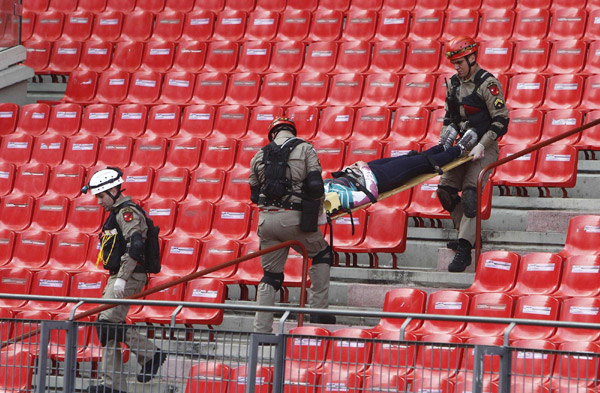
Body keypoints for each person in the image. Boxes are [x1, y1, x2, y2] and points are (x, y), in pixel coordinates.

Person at [83, 167, 167, 393]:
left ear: (113, 190)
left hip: (128, 275)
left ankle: (151, 354)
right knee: (108, 327)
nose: (99, 201)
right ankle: (113, 386)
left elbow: (135, 245)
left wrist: (121, 279)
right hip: (120, 275)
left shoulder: (127, 212)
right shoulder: (116, 213)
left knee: (107, 324)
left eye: (101, 196)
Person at [249, 117, 335, 333]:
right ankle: (318, 314)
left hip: (266, 221)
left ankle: (261, 331)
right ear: (292, 131)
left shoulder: (259, 154)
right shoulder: (305, 148)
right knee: (321, 253)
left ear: (272, 133)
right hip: (294, 219)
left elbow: (253, 195)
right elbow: (315, 185)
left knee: (271, 276)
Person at [436, 36, 510, 273]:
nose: (456, 67)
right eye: (453, 62)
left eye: (459, 61)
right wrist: (446, 133)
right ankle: (466, 235)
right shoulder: (454, 83)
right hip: (462, 146)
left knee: (470, 193)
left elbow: (502, 121)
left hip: (484, 147)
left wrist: (483, 143)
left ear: (471, 57)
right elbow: (450, 118)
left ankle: (465, 249)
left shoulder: (487, 83)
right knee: (445, 192)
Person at [324, 129, 479, 213]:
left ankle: (441, 148)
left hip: (362, 173)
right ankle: (459, 149)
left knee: (408, 158)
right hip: (379, 179)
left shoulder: (321, 187)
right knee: (420, 164)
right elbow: (370, 195)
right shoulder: (338, 198)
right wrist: (364, 168)